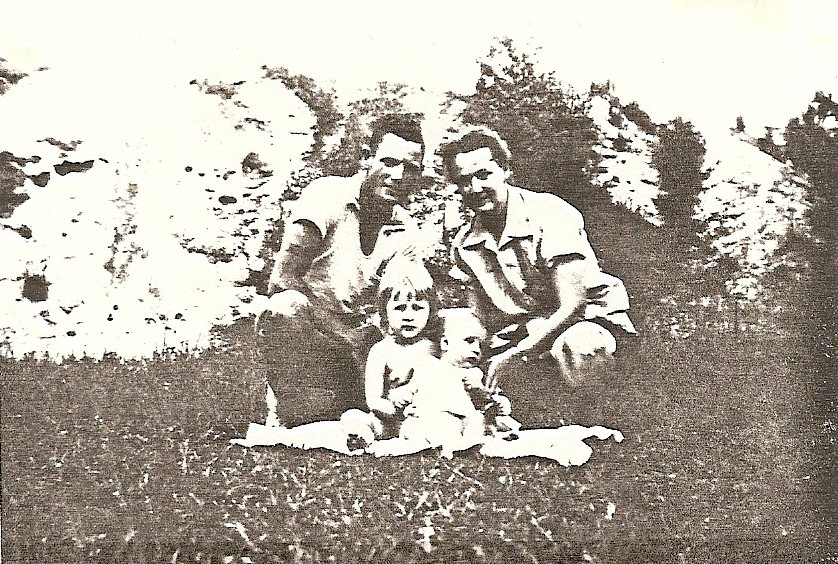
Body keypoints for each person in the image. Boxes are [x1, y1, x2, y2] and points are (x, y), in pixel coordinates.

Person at [439, 127, 635, 405]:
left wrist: (518, 353)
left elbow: (573, 305)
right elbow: (480, 319)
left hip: (585, 320)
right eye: (464, 181)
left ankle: (604, 424)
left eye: (483, 175)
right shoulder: (465, 244)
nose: (476, 188)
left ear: (505, 170)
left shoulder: (549, 213)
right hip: (523, 329)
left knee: (582, 345)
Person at [256, 114, 429, 426]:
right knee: (283, 308)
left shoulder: (406, 230)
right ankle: (291, 409)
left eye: (411, 168)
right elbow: (282, 280)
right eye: (389, 162)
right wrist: (343, 336)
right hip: (314, 335)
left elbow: (404, 301)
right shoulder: (326, 196)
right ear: (366, 158)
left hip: (363, 345)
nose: (398, 175)